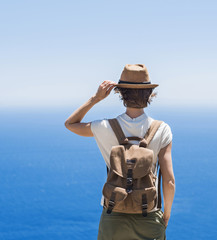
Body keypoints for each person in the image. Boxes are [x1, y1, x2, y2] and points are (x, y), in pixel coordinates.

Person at [64, 64, 175, 239]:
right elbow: (169, 181)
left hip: (113, 215)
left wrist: (96, 98)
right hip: (149, 215)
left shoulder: (104, 127)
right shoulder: (162, 129)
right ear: (149, 94)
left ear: (121, 93)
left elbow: (70, 124)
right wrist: (166, 215)